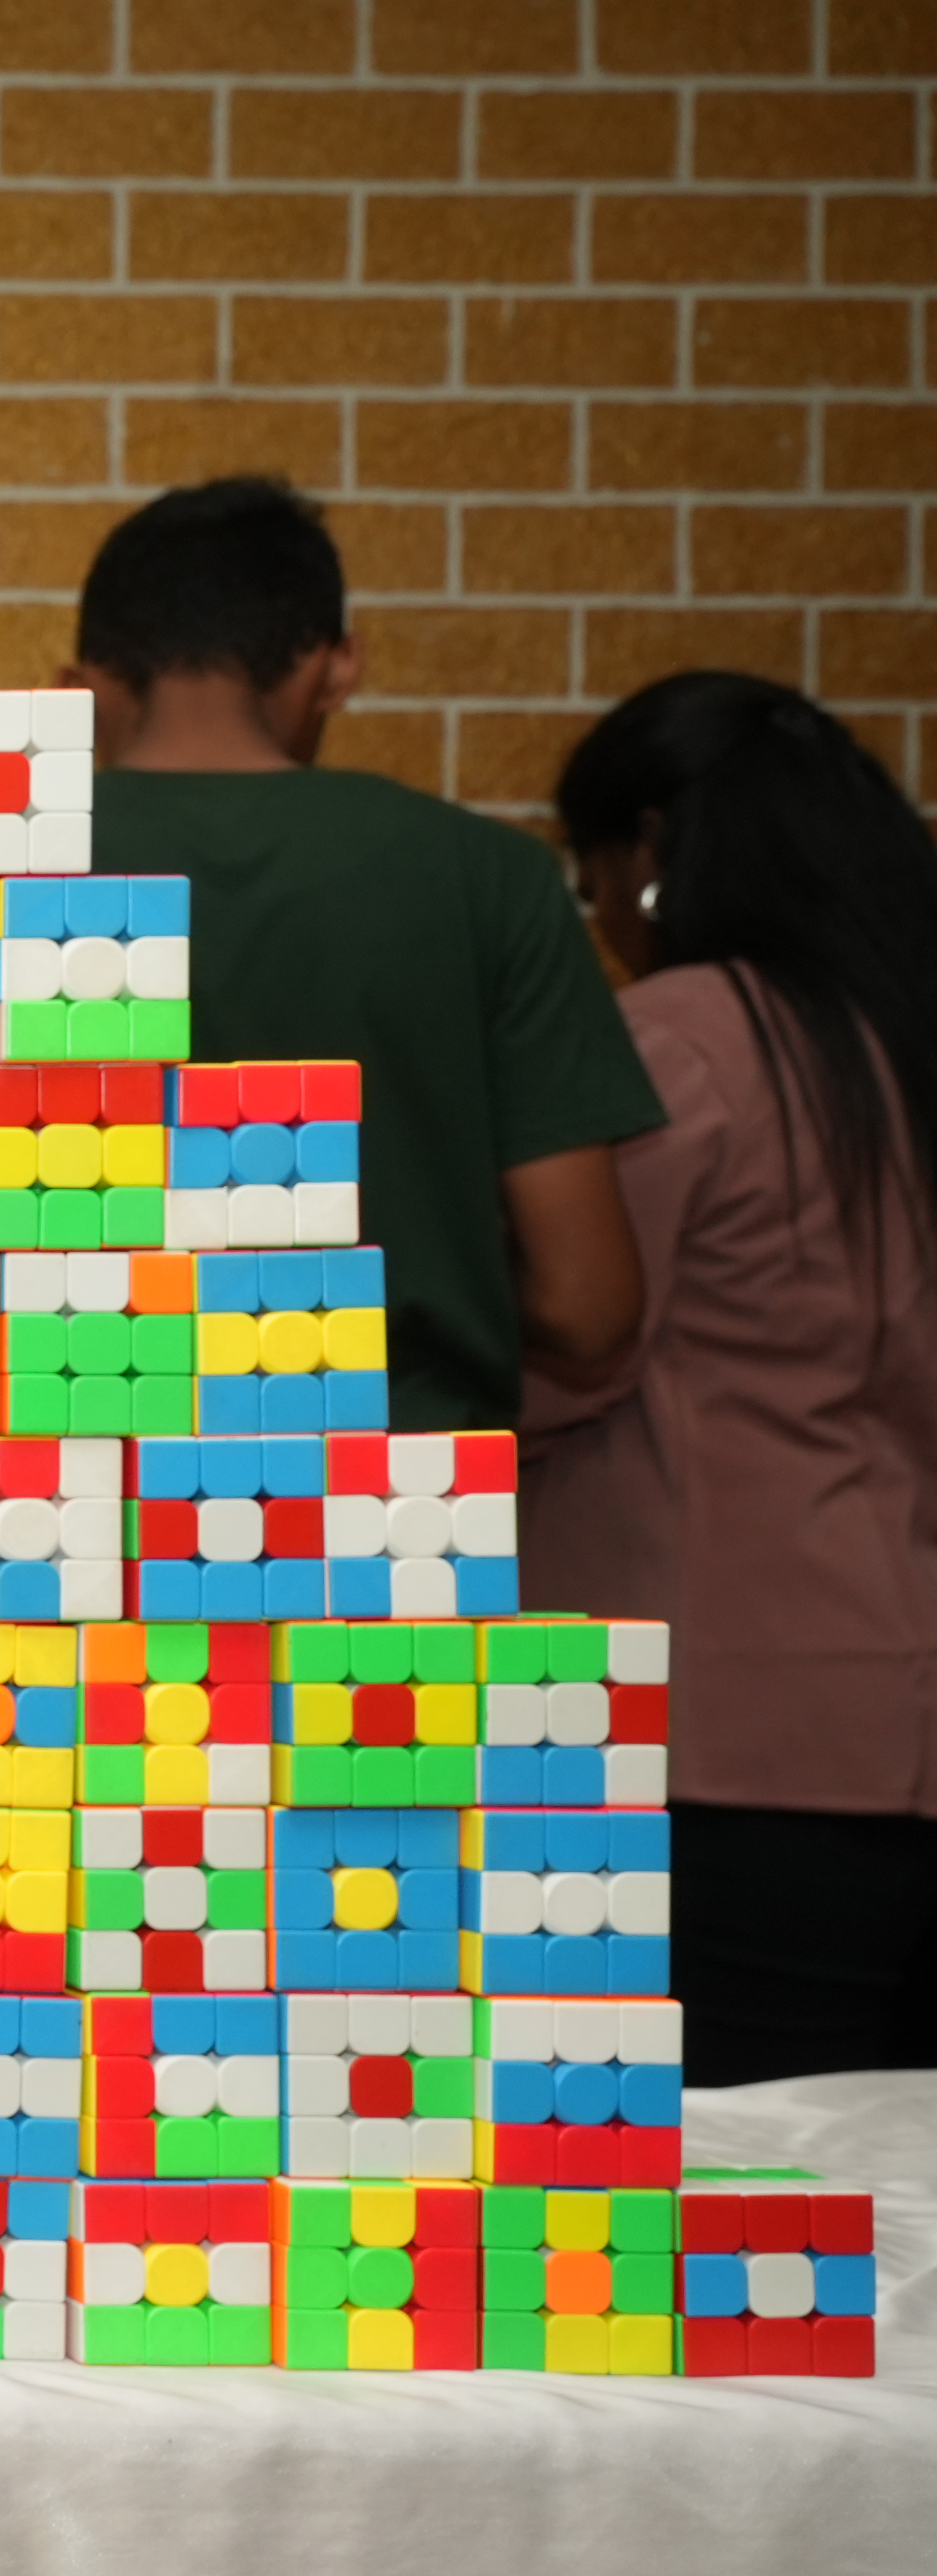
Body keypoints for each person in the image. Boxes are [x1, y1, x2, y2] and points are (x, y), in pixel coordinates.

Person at [526, 675, 937, 2084]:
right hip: (890, 1707)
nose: (599, 927)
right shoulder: (901, 1034)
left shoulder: (687, 1038)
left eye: (595, 885)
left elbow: (579, 1329)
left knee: (710, 2207)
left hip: (704, 1724)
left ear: (653, 852)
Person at [66, 475, 655, 1429]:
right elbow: (589, 1305)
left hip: (50, 1496)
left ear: (75, 690)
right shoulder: (489, 876)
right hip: (391, 1498)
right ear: (337, 668)